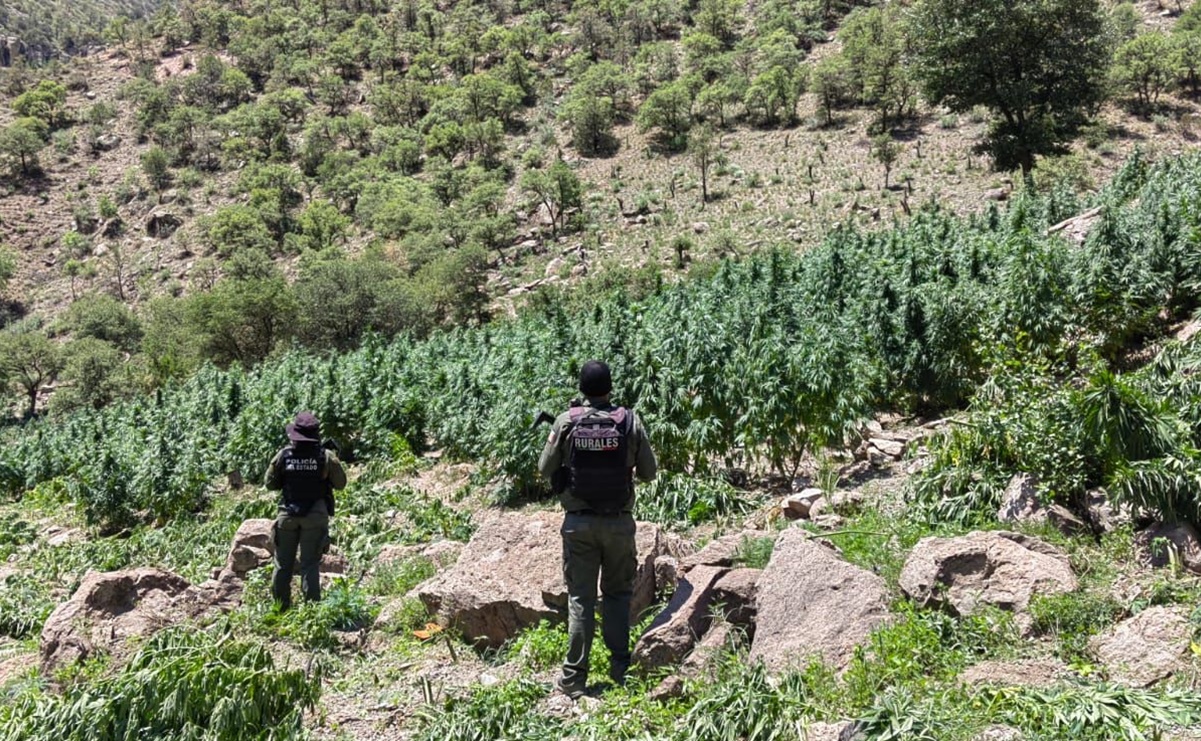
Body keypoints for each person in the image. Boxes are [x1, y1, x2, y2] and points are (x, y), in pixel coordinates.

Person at [538, 360, 657, 698]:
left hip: (579, 525)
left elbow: (544, 467)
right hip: (619, 524)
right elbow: (649, 473)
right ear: (610, 388)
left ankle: (574, 680)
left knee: (580, 599)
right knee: (618, 596)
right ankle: (621, 670)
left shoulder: (566, 421)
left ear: (582, 388)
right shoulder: (630, 421)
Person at [264, 411, 346, 610]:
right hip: (315, 516)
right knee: (310, 564)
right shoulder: (325, 456)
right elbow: (341, 484)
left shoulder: (283, 455)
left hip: (288, 516)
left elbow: (270, 484)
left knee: (283, 564)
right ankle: (311, 611)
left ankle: (279, 609)